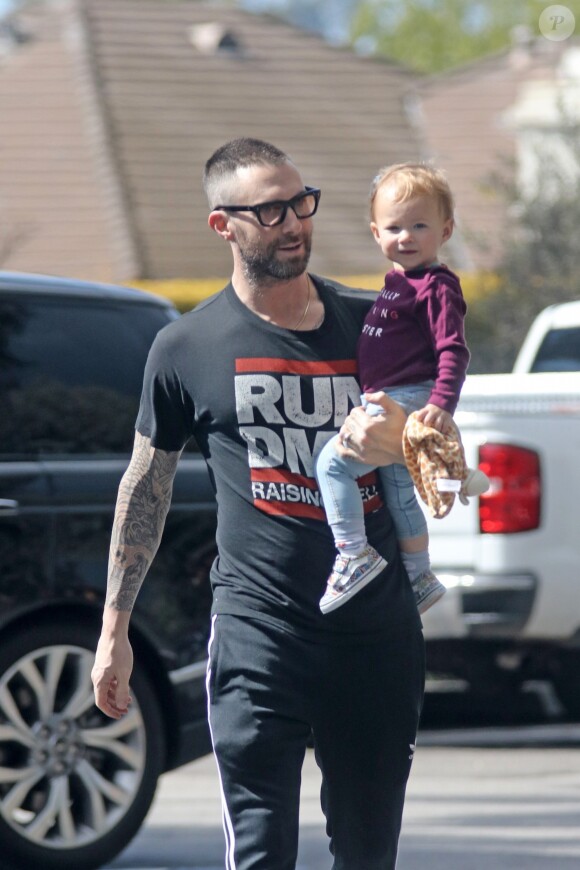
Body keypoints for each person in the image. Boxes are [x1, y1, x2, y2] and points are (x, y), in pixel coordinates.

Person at [91, 138, 425, 870]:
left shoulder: (375, 327)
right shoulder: (186, 347)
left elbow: (438, 445)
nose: (293, 222)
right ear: (224, 226)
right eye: (270, 210)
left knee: (369, 854)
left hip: (374, 634)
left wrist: (407, 436)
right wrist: (114, 629)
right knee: (260, 847)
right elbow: (146, 484)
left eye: (300, 204)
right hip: (258, 632)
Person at [315, 162, 488, 615]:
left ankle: (353, 553)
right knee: (398, 491)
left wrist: (440, 405)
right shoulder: (398, 283)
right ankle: (419, 576)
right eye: (394, 227)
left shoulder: (436, 286)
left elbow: (454, 350)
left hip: (410, 396)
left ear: (446, 230)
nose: (406, 236)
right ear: (376, 233)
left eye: (419, 225)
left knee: (331, 465)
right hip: (393, 397)